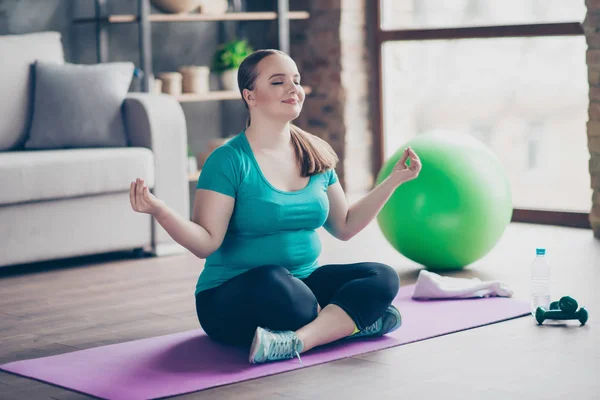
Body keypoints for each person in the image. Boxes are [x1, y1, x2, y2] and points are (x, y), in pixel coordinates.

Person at [129, 49, 422, 365]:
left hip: (303, 286)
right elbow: (205, 243)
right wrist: (160, 210)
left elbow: (346, 226)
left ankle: (298, 341)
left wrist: (393, 181)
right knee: (277, 283)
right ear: (250, 96)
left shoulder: (316, 153)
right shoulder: (228, 161)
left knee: (383, 277)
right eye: (278, 81)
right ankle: (351, 323)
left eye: (296, 80)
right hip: (233, 297)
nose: (293, 88)